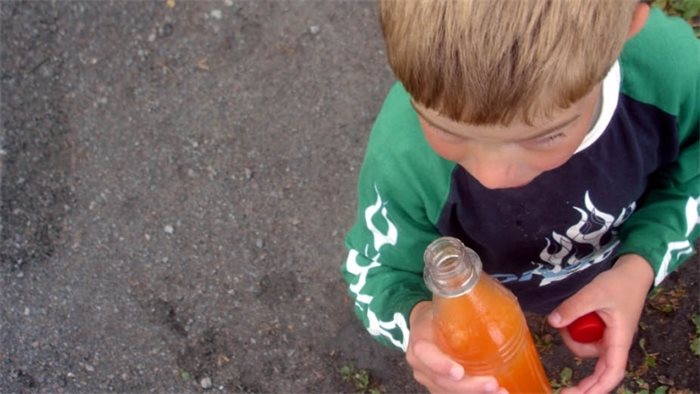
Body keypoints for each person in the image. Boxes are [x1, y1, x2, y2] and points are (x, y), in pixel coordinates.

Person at [341, 1, 699, 393]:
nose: (493, 178)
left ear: (628, 22)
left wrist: (638, 267)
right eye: (448, 130)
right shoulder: (403, 156)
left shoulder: (671, 75)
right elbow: (375, 271)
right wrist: (416, 323)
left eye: (545, 136)